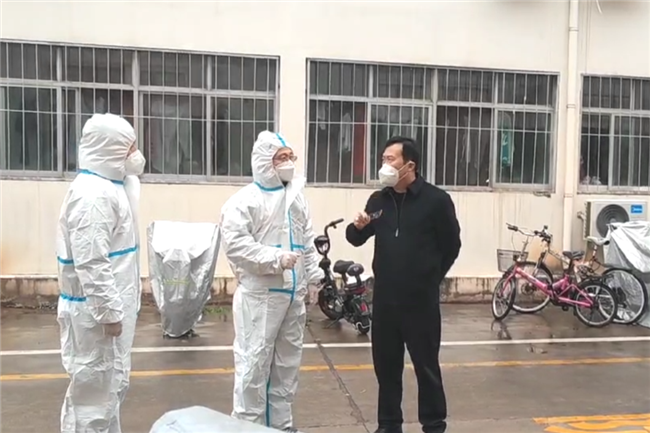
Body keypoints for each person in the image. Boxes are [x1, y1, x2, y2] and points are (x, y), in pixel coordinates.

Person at [345, 137, 461, 433]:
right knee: (386, 368)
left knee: (426, 367)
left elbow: (452, 245)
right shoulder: (378, 201)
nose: (385, 164)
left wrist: (430, 278)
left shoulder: (436, 201)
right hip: (385, 300)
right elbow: (356, 238)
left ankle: (433, 424)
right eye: (383, 159)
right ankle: (388, 424)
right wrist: (356, 227)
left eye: (391, 159)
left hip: (420, 302)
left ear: (410, 165)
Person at [220, 131, 323, 432]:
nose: (289, 163)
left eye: (291, 156)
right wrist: (274, 258)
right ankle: (248, 427)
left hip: (293, 297)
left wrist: (313, 277)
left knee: (286, 368)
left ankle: (282, 425)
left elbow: (306, 241)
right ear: (265, 162)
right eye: (281, 158)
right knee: (253, 367)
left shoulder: (296, 199)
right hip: (260, 297)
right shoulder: (245, 202)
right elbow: (236, 246)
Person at [56, 113, 146, 433]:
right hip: (95, 318)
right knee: (92, 402)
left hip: (109, 313)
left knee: (109, 392)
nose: (136, 154)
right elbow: (92, 261)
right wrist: (108, 312)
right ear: (109, 148)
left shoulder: (113, 187)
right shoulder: (93, 195)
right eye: (129, 147)